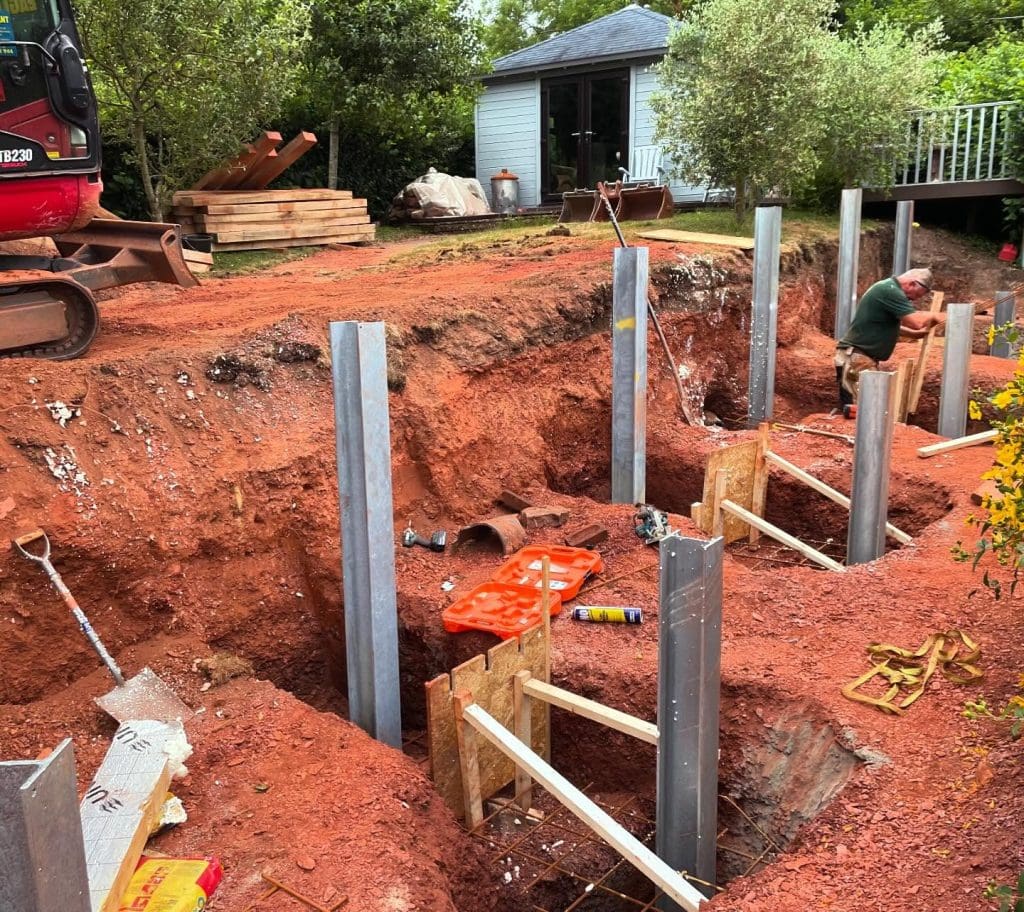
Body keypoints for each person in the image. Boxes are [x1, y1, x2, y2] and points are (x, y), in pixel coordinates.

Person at [835, 267, 946, 410]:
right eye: (915, 295)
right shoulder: (891, 291)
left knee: (862, 407)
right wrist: (937, 317)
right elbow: (916, 322)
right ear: (912, 283)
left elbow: (885, 324)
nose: (912, 299)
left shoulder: (886, 288)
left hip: (858, 356)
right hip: (857, 357)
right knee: (862, 410)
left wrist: (914, 335)